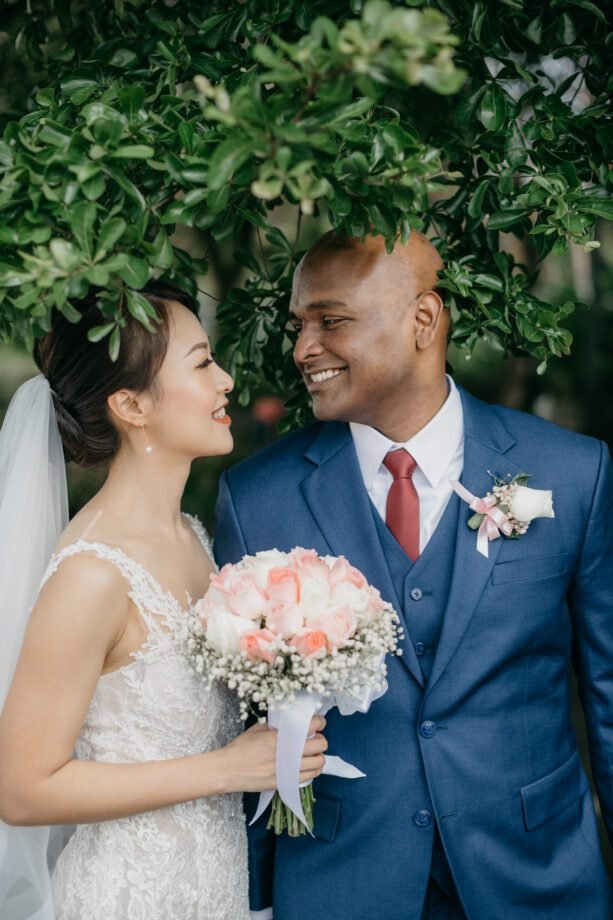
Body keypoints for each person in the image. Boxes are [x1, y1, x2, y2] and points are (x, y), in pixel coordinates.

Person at [215, 231, 613, 920]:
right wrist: (253, 900)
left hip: (536, 877)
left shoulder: (573, 473)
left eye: (330, 321)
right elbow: (237, 723)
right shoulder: (257, 498)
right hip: (342, 882)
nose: (303, 348)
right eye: (297, 326)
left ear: (422, 320)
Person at [0, 283, 327, 920]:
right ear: (132, 405)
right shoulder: (93, 574)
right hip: (126, 898)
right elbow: (21, 789)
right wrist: (230, 769)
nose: (227, 380)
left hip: (215, 891)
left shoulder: (193, 539)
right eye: (203, 363)